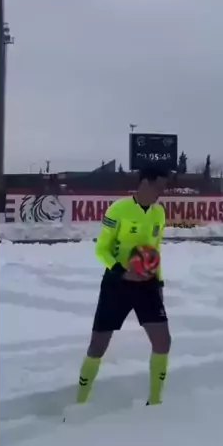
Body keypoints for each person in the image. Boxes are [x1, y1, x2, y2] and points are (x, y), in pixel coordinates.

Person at [74, 167, 171, 409]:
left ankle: (155, 402)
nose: (161, 192)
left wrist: (158, 282)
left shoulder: (159, 213)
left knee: (163, 341)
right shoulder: (118, 209)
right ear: (145, 183)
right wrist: (122, 271)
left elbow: (155, 250)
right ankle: (80, 402)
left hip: (147, 285)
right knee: (97, 346)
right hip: (117, 284)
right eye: (158, 186)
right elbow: (101, 249)